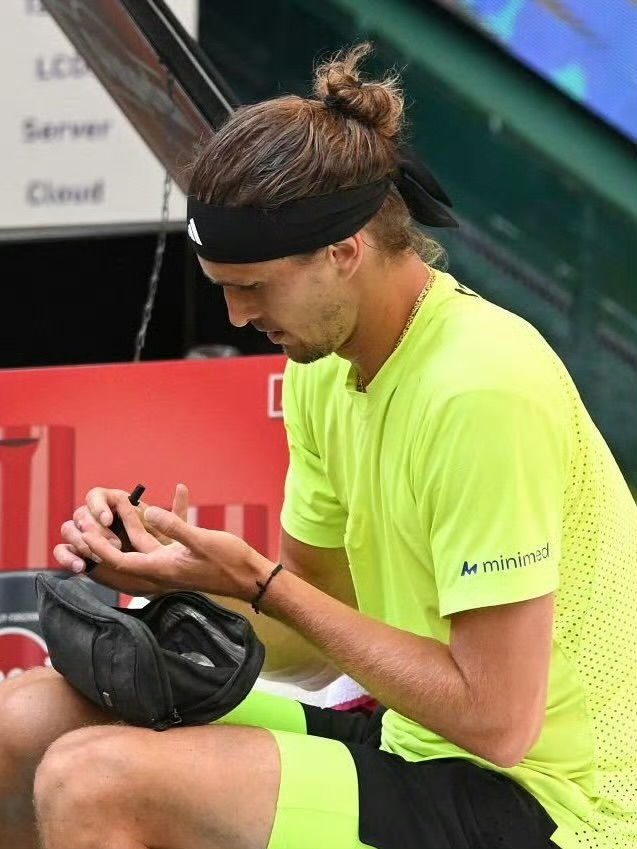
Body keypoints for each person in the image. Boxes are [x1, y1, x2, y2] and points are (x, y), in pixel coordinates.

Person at [1, 42, 636, 849]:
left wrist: (260, 581)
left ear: (345, 252)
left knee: (95, 780)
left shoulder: (480, 385)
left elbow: (497, 722)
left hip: (559, 803)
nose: (237, 318)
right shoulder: (321, 368)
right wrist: (182, 578)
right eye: (222, 289)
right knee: (26, 718)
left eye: (252, 288)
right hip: (414, 743)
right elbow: (308, 649)